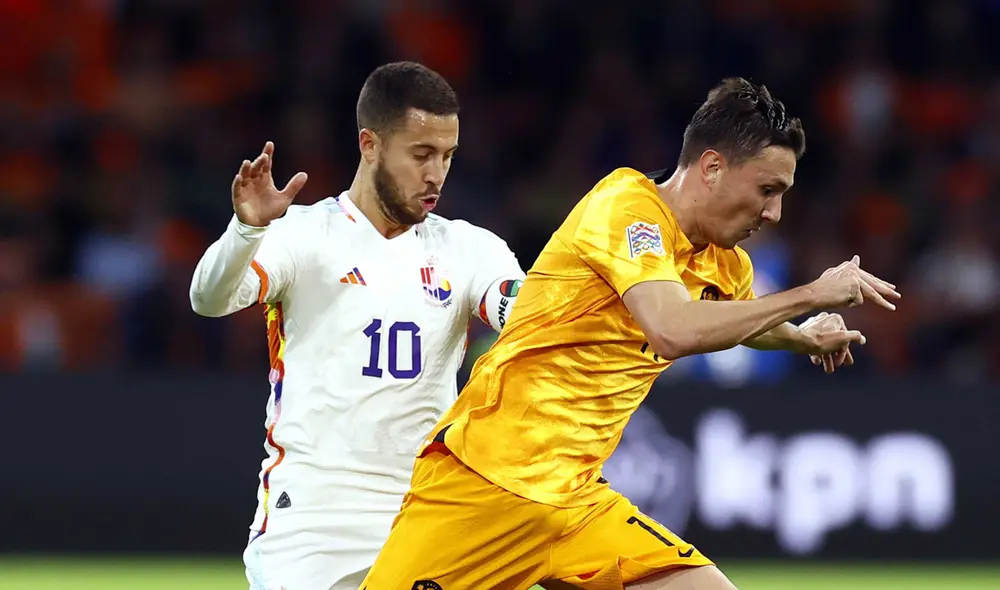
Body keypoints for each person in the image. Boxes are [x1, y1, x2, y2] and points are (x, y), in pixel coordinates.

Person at [360, 78, 901, 590]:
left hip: (576, 506)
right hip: (485, 483)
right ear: (711, 167)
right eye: (767, 189)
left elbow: (741, 318)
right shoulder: (627, 207)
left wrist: (801, 336)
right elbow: (671, 328)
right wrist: (812, 294)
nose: (775, 212)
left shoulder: (725, 264)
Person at [188, 61, 525, 590]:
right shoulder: (303, 235)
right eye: (421, 155)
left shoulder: (470, 249)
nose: (436, 173)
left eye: (447, 156)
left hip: (422, 514)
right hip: (310, 522)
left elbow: (520, 311)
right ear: (370, 145)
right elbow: (208, 299)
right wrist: (244, 231)